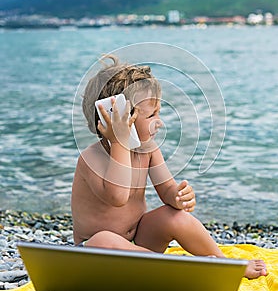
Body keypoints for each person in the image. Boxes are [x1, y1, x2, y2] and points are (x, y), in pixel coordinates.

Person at [72, 54, 267, 279]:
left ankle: (224, 264)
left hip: (140, 244)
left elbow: (166, 191)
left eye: (159, 113)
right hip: (95, 254)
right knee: (103, 239)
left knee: (173, 216)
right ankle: (175, 267)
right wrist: (119, 143)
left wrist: (178, 196)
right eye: (152, 115)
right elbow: (118, 197)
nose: (160, 122)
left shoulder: (149, 150)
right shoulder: (91, 159)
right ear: (117, 119)